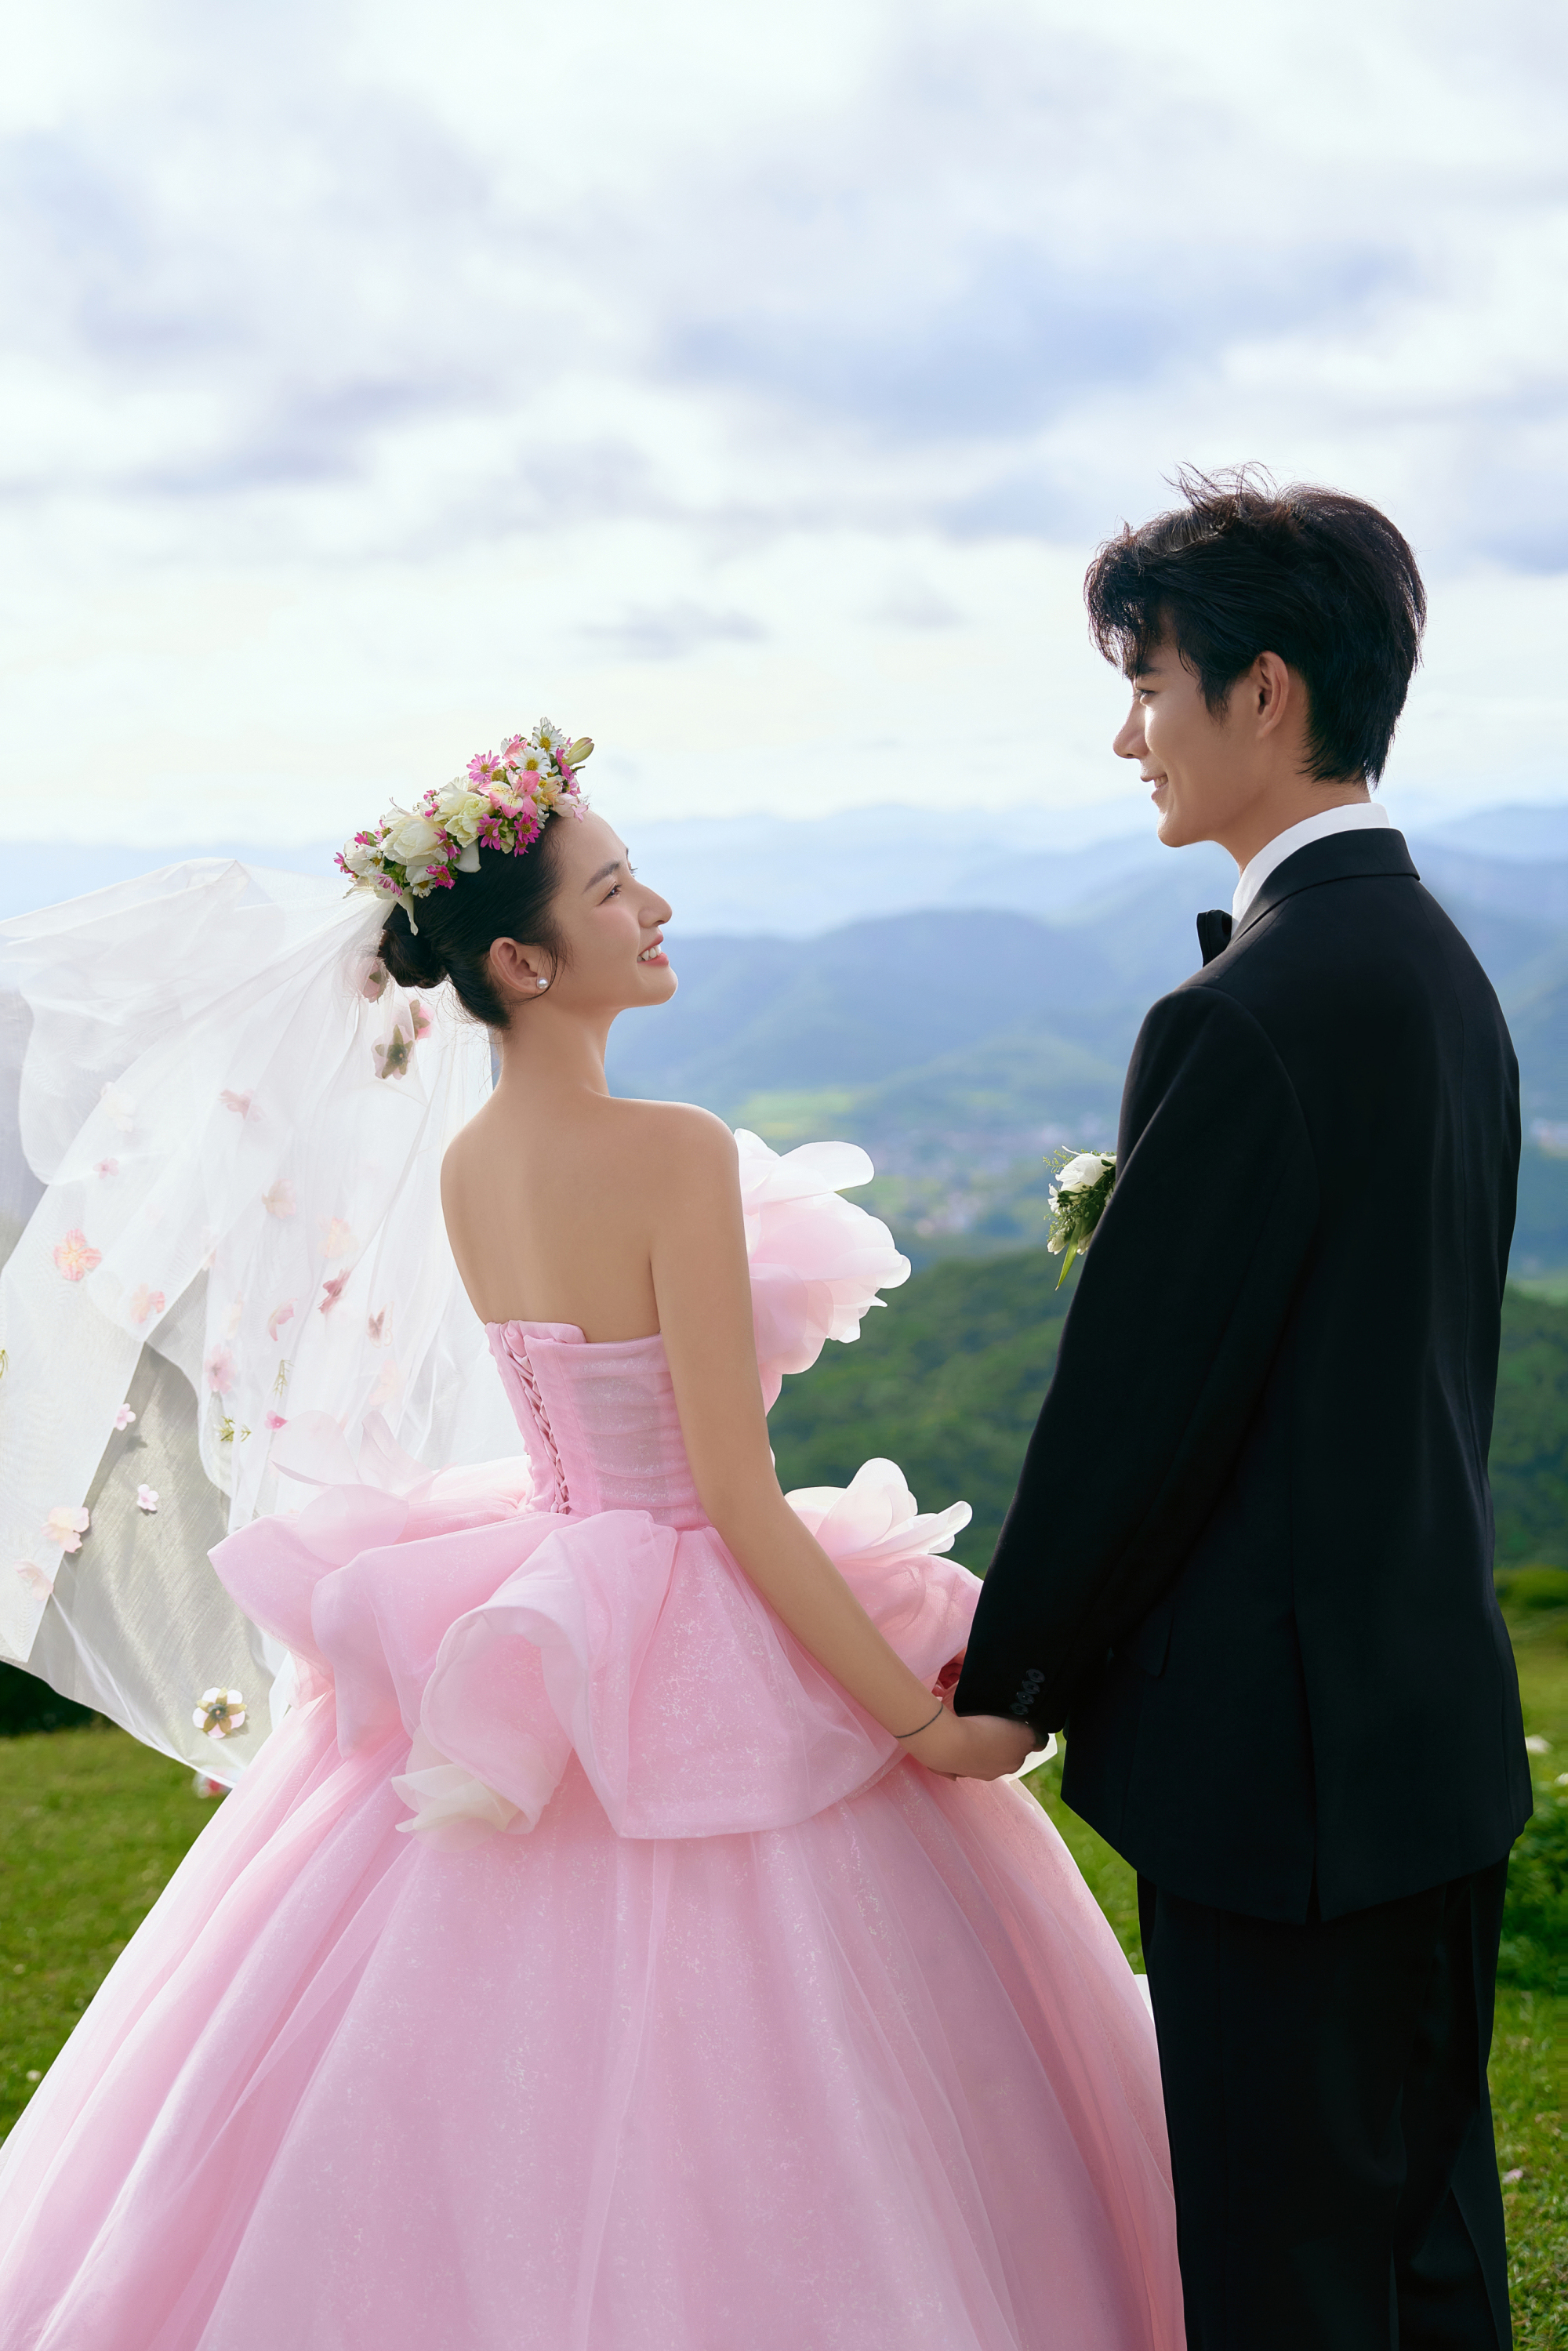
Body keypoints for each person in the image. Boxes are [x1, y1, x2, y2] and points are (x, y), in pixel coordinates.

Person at [0, 727, 1182, 2349]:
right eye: (616, 889)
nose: (656, 909)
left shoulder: (474, 1164)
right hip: (681, 1584)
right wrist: (921, 1726)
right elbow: (732, 1496)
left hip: (545, 1577)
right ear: (522, 960)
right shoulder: (670, 1150)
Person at [956, 470, 1530, 2350]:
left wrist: (1009, 1680)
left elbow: (1138, 1407)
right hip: (1428, 1730)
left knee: (1287, 2269)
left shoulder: (1251, 1010)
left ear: (1261, 692)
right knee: (1423, 2243)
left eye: (1148, 684)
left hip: (1277, 1782)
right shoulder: (1436, 966)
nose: (1129, 736)